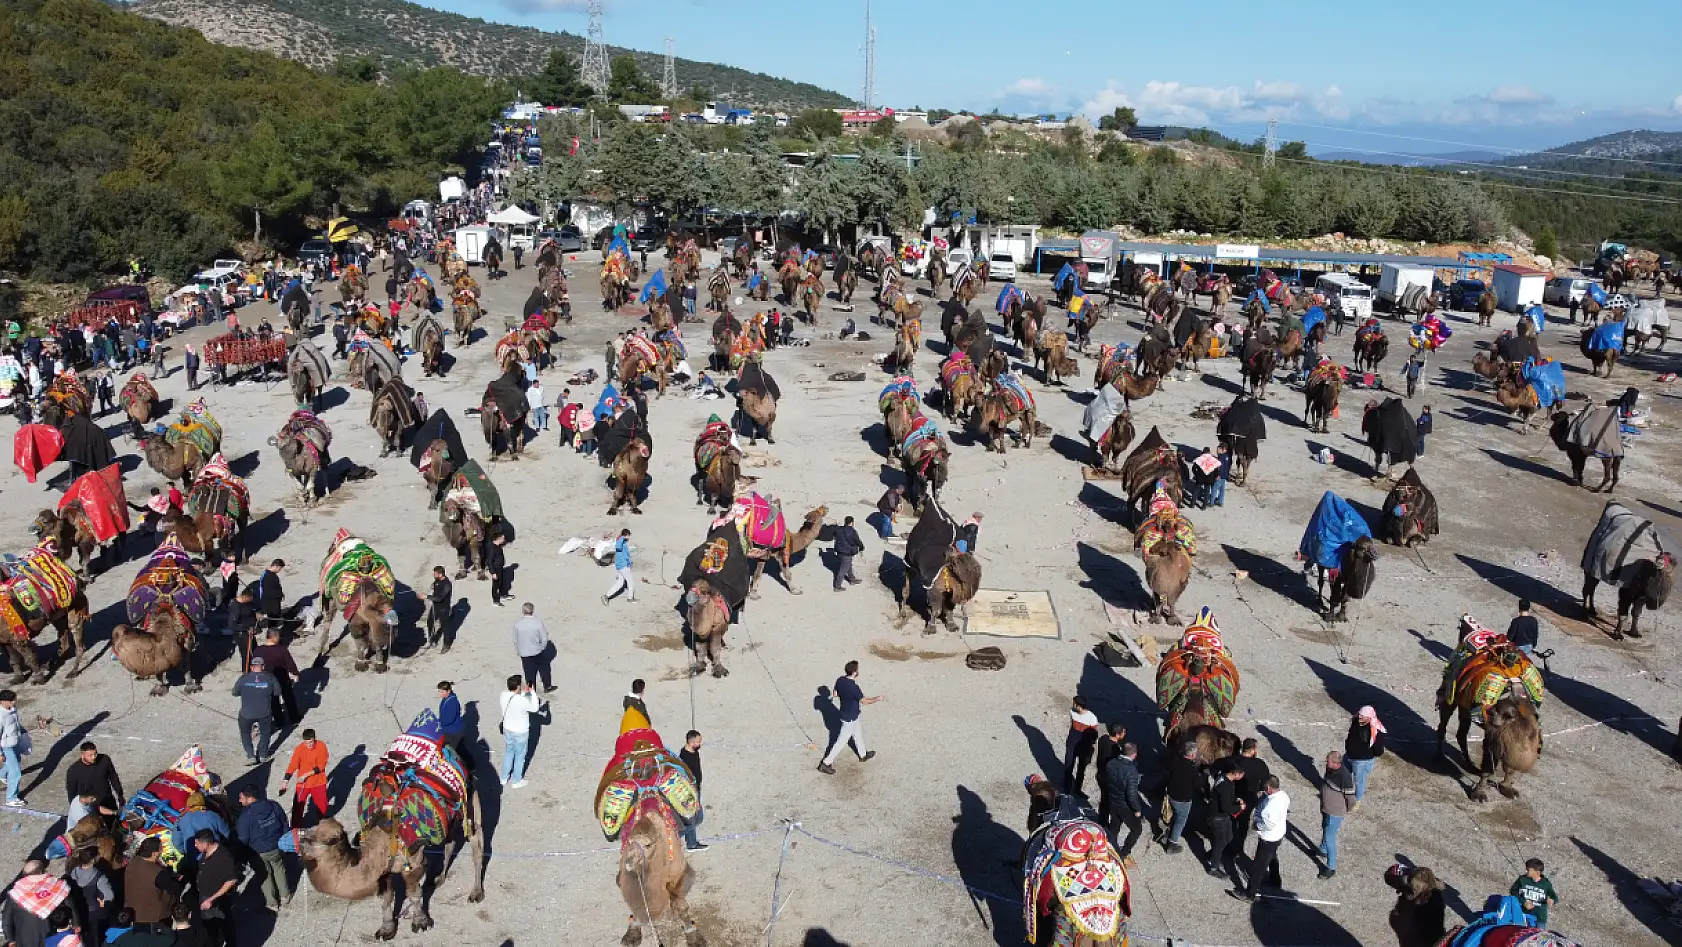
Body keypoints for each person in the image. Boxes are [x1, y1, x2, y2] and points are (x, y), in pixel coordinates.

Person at [1230, 775, 1288, 902]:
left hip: (1268, 838)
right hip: (1278, 834)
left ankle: (1250, 894)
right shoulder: (1283, 796)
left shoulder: (1270, 807)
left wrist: (1256, 825)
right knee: (1272, 857)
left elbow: (1269, 824)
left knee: (1258, 866)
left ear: (1268, 787)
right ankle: (1275, 880)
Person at [818, 661, 881, 774]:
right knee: (841, 741)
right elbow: (864, 701)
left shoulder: (840, 680)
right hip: (849, 718)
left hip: (849, 715)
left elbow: (835, 694)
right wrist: (877, 698)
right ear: (854, 672)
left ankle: (863, 755)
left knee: (858, 735)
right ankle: (826, 763)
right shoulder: (854, 687)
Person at [234, 788, 290, 911]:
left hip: (258, 853)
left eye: (241, 797)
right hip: (277, 846)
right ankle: (285, 896)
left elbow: (243, 839)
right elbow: (284, 823)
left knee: (265, 875)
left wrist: (241, 856)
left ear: (250, 798)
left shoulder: (245, 817)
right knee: (279, 869)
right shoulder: (274, 805)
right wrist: (285, 841)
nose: (239, 800)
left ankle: (272, 903)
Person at [1099, 741, 1145, 865]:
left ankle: (1107, 848)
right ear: (1134, 755)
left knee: (1114, 826)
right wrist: (1137, 809)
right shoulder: (1131, 772)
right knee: (1136, 830)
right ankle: (1123, 853)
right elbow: (1131, 795)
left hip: (1113, 801)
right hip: (1125, 806)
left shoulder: (1111, 763)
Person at [122, 837, 181, 931]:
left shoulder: (133, 862)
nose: (162, 850)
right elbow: (175, 888)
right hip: (154, 918)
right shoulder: (157, 873)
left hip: (134, 914)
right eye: (161, 848)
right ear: (154, 853)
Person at [498, 674, 546, 788]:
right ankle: (516, 780)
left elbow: (516, 697)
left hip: (507, 729)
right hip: (520, 731)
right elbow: (535, 708)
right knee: (520, 756)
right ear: (519, 686)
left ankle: (504, 778)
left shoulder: (503, 695)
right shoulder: (522, 701)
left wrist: (525, 693)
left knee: (509, 753)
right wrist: (532, 693)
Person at [192, 830, 239, 946]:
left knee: (225, 922)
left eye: (197, 843)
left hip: (217, 899)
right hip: (205, 896)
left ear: (206, 844)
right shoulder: (206, 852)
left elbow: (231, 880)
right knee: (209, 924)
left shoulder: (223, 858)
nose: (195, 845)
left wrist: (212, 899)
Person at [231, 656, 279, 764]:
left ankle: (250, 756)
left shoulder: (243, 678)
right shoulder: (270, 678)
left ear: (252, 667)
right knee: (265, 733)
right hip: (264, 712)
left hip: (246, 713)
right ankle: (262, 755)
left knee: (245, 733)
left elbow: (234, 692)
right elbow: (277, 692)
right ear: (263, 667)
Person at [278, 730, 329, 828]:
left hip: (318, 782)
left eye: (311, 742)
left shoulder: (321, 746)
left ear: (314, 739)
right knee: (297, 807)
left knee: (322, 806)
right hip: (303, 784)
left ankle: (322, 825)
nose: (308, 745)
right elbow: (293, 764)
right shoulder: (299, 749)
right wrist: (286, 780)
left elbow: (321, 766)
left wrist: (306, 775)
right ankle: (295, 829)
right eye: (306, 742)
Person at [1318, 751, 1357, 879]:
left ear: (1336, 763)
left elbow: (1351, 799)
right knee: (1324, 827)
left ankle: (1331, 867)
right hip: (1326, 807)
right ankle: (1322, 850)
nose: (1326, 763)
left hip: (1335, 812)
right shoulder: (1330, 769)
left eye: (1328, 761)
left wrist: (1345, 810)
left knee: (1330, 838)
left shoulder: (1345, 777)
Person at [250, 628, 300, 726]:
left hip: (266, 680)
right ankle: (295, 719)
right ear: (275, 637)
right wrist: (295, 673)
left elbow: (254, 666)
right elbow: (290, 664)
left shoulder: (258, 651)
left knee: (273, 702)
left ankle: (279, 722)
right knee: (289, 698)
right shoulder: (281, 650)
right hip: (282, 678)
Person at [1207, 762, 1244, 879]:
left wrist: (1236, 799)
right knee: (1221, 841)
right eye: (1242, 774)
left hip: (1220, 815)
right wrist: (1240, 807)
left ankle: (1213, 855)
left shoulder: (1223, 778)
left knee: (1228, 837)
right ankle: (1213, 867)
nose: (1243, 776)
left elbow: (1226, 799)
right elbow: (1226, 808)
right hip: (1218, 817)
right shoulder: (1226, 787)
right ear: (1235, 774)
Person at [1161, 742, 1201, 853]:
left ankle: (1167, 835)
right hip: (1183, 800)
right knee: (1180, 821)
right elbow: (1198, 784)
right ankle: (1172, 845)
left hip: (1171, 795)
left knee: (1175, 816)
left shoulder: (1175, 762)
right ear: (1192, 755)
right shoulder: (1192, 770)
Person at [69, 847, 114, 945]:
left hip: (79, 909)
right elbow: (110, 896)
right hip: (95, 911)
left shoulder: (74, 872)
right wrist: (104, 901)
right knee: (97, 937)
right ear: (93, 860)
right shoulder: (99, 876)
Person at [1343, 706, 1386, 805]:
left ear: (1370, 717)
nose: (1360, 717)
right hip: (1349, 756)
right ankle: (1343, 794)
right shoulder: (1356, 722)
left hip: (1361, 761)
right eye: (1360, 715)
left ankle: (1356, 801)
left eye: (1363, 716)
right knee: (1344, 775)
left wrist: (1369, 756)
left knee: (1358, 781)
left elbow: (1379, 749)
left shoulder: (1375, 730)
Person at [64, 743, 124, 809]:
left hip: (107, 800)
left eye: (95, 754)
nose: (94, 757)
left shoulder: (105, 760)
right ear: (82, 755)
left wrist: (120, 794)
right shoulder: (73, 770)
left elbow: (113, 777)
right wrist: (75, 808)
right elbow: (71, 792)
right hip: (90, 806)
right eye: (90, 755)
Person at [512, 603, 555, 693]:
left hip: (524, 653)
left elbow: (515, 640)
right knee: (544, 668)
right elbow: (544, 637)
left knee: (529, 673)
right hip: (537, 651)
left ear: (523, 611)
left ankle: (532, 691)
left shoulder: (518, 624)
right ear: (533, 610)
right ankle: (547, 686)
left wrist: (518, 650)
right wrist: (542, 647)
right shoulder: (537, 622)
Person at [1062, 696, 1099, 795]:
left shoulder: (1092, 718)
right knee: (1068, 766)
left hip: (1084, 746)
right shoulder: (1072, 712)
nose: (1072, 705)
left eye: (1074, 703)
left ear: (1079, 706)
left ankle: (1077, 789)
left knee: (1081, 769)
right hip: (1072, 744)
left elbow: (1094, 736)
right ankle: (1066, 790)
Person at [1510, 858, 1558, 928]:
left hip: (1540, 918)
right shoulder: (1522, 879)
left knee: (1538, 937)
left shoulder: (1546, 884)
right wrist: (1524, 902)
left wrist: (1552, 900)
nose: (1526, 872)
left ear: (1537, 872)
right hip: (1523, 915)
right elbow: (1513, 891)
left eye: (1529, 870)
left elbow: (1554, 897)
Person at [679, 731, 706, 851]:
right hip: (691, 792)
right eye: (698, 741)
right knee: (697, 818)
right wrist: (695, 798)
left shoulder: (693, 751)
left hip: (696, 789)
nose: (700, 743)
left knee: (693, 818)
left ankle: (691, 843)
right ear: (691, 742)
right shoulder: (685, 759)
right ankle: (676, 835)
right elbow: (687, 781)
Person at [2, 689, 27, 807]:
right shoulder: (1, 716)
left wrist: (23, 731)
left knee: (14, 763)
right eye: (12, 700)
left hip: (15, 742)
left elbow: (16, 723)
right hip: (6, 747)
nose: (14, 702)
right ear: (3, 701)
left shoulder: (12, 710)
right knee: (16, 772)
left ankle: (1, 775)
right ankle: (11, 798)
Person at [832, 516, 865, 591]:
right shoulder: (852, 532)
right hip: (847, 553)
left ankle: (852, 580)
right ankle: (837, 587)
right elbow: (857, 541)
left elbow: (834, 535)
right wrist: (862, 547)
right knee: (843, 570)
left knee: (848, 566)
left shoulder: (839, 529)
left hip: (839, 551)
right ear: (852, 523)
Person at [603, 529, 634, 604]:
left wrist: (629, 562)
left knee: (619, 583)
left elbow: (625, 555)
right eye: (628, 536)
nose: (629, 538)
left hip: (622, 565)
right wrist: (623, 537)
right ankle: (630, 598)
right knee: (631, 582)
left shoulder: (623, 543)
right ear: (626, 535)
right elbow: (618, 546)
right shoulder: (620, 542)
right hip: (622, 565)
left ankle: (606, 596)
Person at [426, 566, 453, 650]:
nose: (434, 575)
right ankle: (432, 639)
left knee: (445, 626)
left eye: (435, 573)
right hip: (435, 606)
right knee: (430, 621)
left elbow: (440, 598)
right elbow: (436, 585)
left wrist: (426, 596)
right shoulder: (437, 581)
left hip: (444, 608)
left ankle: (446, 645)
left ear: (441, 574)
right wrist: (433, 585)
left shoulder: (447, 584)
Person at [256, 559, 285, 633]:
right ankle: (272, 634)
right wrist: (279, 595)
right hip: (271, 602)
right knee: (273, 619)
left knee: (274, 618)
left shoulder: (269, 574)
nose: (279, 570)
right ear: (276, 566)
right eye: (280, 568)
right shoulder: (268, 576)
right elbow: (268, 592)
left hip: (273, 601)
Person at [436, 682, 466, 754]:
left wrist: (439, 722)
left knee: (455, 752)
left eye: (442, 691)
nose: (440, 693)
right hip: (449, 730)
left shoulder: (452, 702)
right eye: (439, 691)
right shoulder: (446, 698)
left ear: (448, 691)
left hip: (454, 732)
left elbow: (449, 719)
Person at [485, 533, 508, 605]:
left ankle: (502, 595)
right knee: (495, 585)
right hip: (495, 569)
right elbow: (489, 562)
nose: (504, 540)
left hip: (500, 568)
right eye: (503, 538)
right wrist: (493, 573)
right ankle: (495, 600)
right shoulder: (492, 548)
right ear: (499, 538)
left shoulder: (498, 546)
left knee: (500, 582)